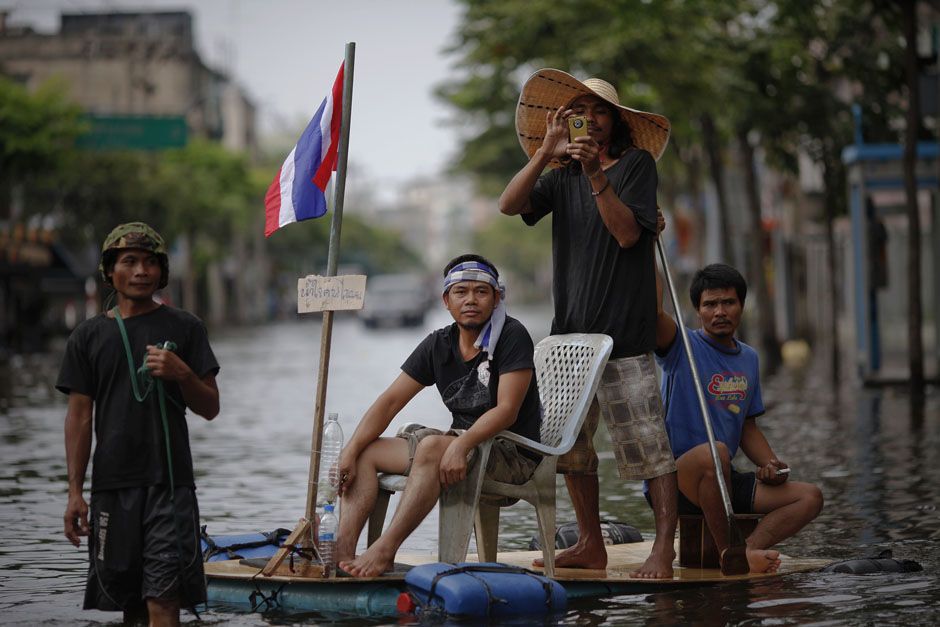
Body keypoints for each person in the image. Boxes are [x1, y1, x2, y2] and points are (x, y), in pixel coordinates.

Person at [498, 68, 678, 578]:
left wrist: (598, 173)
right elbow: (509, 204)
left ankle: (663, 548)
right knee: (572, 448)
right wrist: (545, 152)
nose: (590, 122)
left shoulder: (636, 166)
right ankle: (590, 544)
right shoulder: (560, 178)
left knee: (646, 444)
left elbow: (626, 236)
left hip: (624, 335)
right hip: (571, 337)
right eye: (579, 114)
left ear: (616, 121)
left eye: (599, 112)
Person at [335, 254, 541, 578]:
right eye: (461, 292)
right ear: (446, 300)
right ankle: (341, 554)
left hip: (511, 452)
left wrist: (460, 446)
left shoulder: (512, 336)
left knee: (434, 447)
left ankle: (385, 550)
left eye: (481, 291)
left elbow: (506, 411)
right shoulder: (439, 344)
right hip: (460, 445)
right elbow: (389, 401)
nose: (470, 299)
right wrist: (349, 450)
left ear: (497, 297)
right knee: (366, 453)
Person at [57, 222, 220, 625]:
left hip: (170, 486)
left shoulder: (186, 328)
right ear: (110, 271)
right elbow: (79, 416)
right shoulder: (88, 337)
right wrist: (75, 492)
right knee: (129, 603)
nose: (141, 271)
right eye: (129, 261)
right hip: (112, 489)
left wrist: (183, 374)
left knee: (163, 599)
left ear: (161, 272)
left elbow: (211, 407)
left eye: (150, 263)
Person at [653, 263, 823, 574]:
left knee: (809, 496)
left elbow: (747, 427)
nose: (720, 311)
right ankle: (731, 553)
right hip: (677, 480)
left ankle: (747, 551)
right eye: (710, 304)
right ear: (697, 310)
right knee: (714, 452)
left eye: (728, 303)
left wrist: (773, 466)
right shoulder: (682, 346)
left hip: (723, 479)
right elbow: (651, 312)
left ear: (741, 306)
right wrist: (647, 242)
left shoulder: (748, 357)